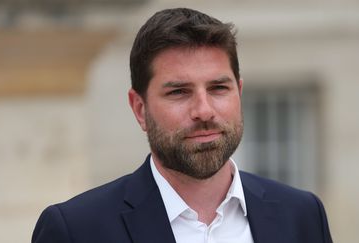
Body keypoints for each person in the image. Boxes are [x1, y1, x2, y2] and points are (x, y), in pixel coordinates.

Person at [32, 8, 333, 243]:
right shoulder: (77, 230)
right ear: (140, 109)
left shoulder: (302, 216)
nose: (204, 111)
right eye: (179, 92)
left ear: (239, 93)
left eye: (218, 88)